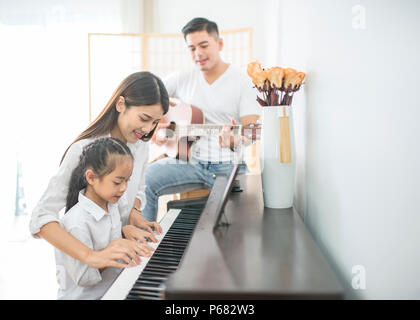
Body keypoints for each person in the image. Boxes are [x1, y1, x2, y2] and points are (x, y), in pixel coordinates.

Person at [30, 71, 168, 271]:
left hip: (120, 265)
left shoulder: (140, 146)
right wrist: (92, 257)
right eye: (144, 118)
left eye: (155, 122)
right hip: (86, 274)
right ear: (120, 104)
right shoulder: (83, 150)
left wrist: (133, 215)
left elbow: (136, 192)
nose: (148, 129)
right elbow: (41, 217)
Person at [142, 17, 260, 222]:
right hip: (189, 162)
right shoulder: (182, 77)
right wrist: (155, 127)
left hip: (228, 165)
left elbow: (252, 131)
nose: (198, 53)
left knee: (247, 215)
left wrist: (234, 140)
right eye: (192, 48)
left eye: (204, 45)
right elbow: (149, 97)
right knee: (143, 182)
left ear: (219, 43)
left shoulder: (242, 80)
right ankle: (143, 247)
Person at [55, 137, 145, 299]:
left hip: (114, 290)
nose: (124, 188)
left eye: (127, 181)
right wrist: (113, 250)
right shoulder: (76, 222)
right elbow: (84, 277)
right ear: (91, 178)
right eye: (117, 182)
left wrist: (124, 233)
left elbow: (110, 239)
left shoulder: (112, 205)